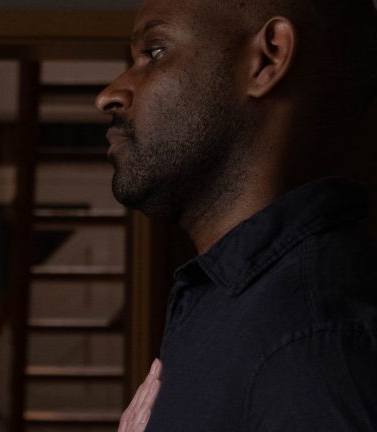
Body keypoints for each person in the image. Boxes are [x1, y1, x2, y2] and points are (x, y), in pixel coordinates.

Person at [96, 0, 377, 430]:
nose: (109, 95)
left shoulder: (308, 343)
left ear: (267, 59)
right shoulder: (241, 304)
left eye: (154, 52)